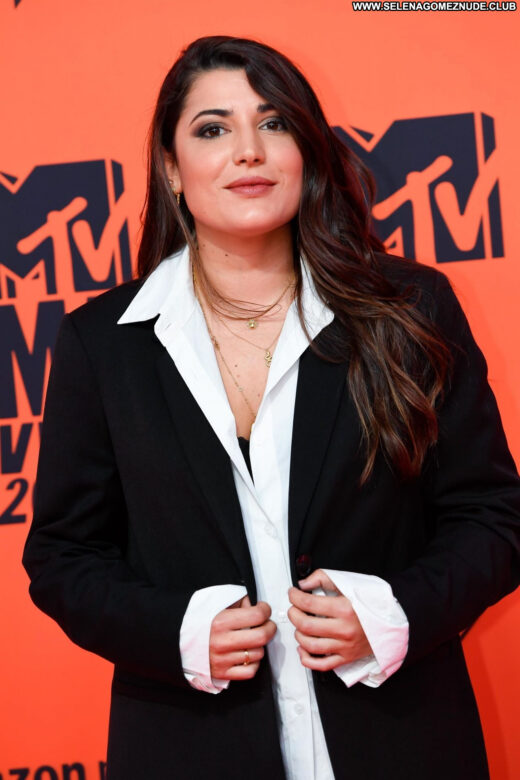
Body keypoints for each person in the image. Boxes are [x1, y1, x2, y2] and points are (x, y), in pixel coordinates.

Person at [22, 35, 520, 780]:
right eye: (212, 129)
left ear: (308, 152)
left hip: (403, 741)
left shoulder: (408, 309)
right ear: (171, 167)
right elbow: (63, 556)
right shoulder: (103, 342)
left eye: (274, 123)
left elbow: (493, 517)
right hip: (190, 749)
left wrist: (393, 614)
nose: (247, 151)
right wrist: (177, 631)